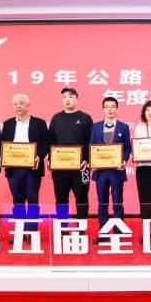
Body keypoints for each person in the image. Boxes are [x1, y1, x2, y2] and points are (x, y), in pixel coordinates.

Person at [0, 94, 49, 232]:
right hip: (13, 169)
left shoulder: (39, 123)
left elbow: (46, 143)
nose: (18, 106)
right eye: (15, 104)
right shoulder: (8, 124)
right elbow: (2, 144)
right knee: (17, 200)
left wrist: (39, 156)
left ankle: (32, 231)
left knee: (33, 199)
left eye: (21, 103)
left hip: (33, 168)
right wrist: (2, 156)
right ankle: (19, 232)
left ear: (28, 105)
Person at [48, 87, 93, 219]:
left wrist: (87, 159)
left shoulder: (85, 118)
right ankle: (62, 226)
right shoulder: (56, 118)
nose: (67, 100)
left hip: (81, 167)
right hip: (60, 167)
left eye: (71, 97)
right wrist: (51, 159)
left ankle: (81, 226)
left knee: (82, 197)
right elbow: (51, 141)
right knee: (61, 198)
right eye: (64, 97)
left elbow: (90, 141)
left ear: (77, 99)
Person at [90, 97, 131, 235]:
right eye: (107, 106)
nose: (110, 109)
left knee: (117, 201)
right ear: (103, 109)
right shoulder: (95, 127)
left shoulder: (123, 127)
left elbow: (127, 148)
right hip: (100, 172)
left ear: (117, 109)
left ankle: (118, 231)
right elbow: (91, 146)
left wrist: (124, 161)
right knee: (102, 202)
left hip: (116, 171)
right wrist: (92, 161)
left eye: (112, 106)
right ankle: (104, 232)